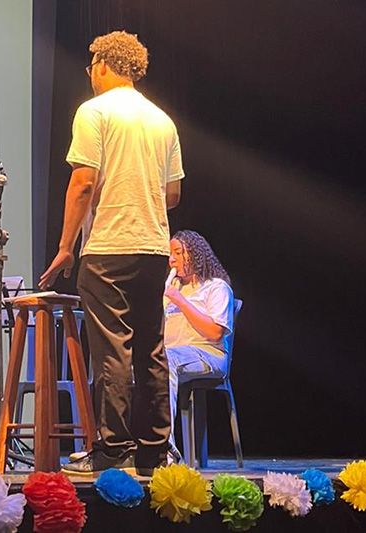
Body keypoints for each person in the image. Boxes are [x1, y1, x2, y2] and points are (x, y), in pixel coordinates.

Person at [40, 30, 184, 475]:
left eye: (91, 67)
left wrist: (65, 247)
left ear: (102, 65)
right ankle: (154, 453)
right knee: (151, 350)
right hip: (154, 248)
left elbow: (83, 183)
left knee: (112, 351)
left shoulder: (94, 111)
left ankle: (113, 449)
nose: (90, 75)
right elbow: (172, 195)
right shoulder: (163, 120)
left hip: (108, 247)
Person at [164, 230, 234, 451]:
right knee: (129, 365)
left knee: (164, 361)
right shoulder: (172, 289)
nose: (172, 259)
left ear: (195, 254)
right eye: (170, 254)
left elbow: (215, 332)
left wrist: (180, 301)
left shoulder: (216, 287)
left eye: (178, 253)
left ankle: (164, 446)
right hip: (173, 354)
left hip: (208, 355)